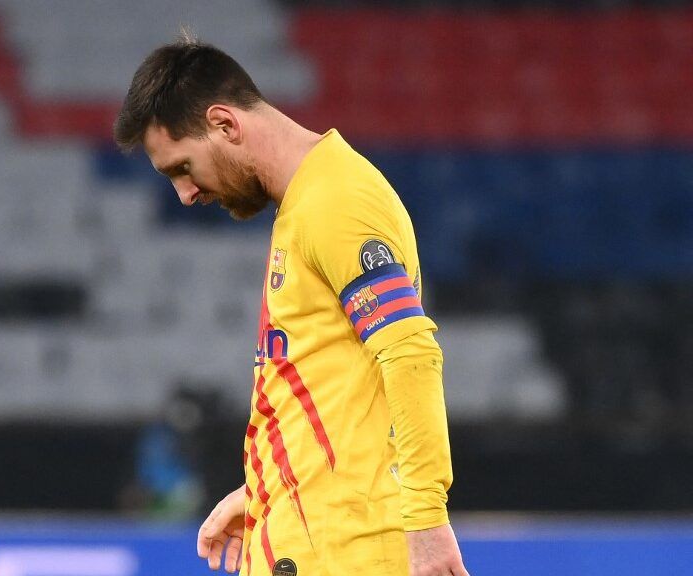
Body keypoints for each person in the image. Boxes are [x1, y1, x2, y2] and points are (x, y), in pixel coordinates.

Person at [113, 33, 468, 576]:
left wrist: (424, 520)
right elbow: (332, 384)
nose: (185, 194)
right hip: (314, 544)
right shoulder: (307, 203)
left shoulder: (337, 201)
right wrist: (267, 490)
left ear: (225, 124)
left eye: (182, 168)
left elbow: (409, 353)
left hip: (346, 555)